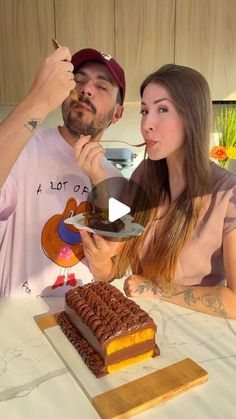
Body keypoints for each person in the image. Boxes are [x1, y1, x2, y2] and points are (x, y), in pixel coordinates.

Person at [83, 63, 236, 319]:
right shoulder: (145, 174)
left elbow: (234, 301)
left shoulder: (227, 193)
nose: (146, 124)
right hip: (141, 323)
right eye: (144, 111)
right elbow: (114, 270)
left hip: (194, 338)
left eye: (162, 109)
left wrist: (156, 289)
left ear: (192, 117)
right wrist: (98, 257)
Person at [0, 45, 126, 296]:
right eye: (78, 80)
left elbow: (110, 273)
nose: (86, 89)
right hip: (16, 324)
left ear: (118, 114)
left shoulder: (118, 182)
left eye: (101, 87)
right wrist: (38, 100)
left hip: (82, 322)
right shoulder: (22, 147)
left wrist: (102, 264)